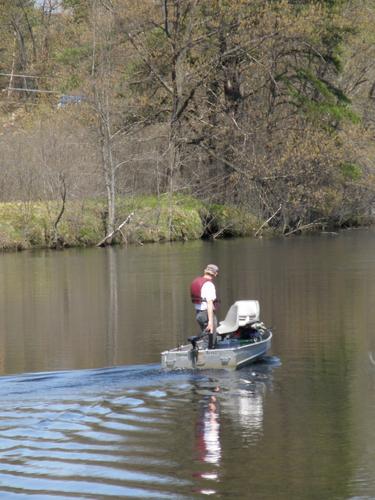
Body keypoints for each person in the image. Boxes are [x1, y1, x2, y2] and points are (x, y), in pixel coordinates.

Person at [190, 264, 219, 349]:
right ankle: (207, 358)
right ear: (214, 273)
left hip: (199, 314)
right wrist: (210, 322)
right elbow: (209, 304)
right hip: (206, 314)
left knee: (206, 338)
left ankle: (205, 353)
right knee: (210, 340)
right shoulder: (209, 285)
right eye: (217, 273)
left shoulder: (196, 281)